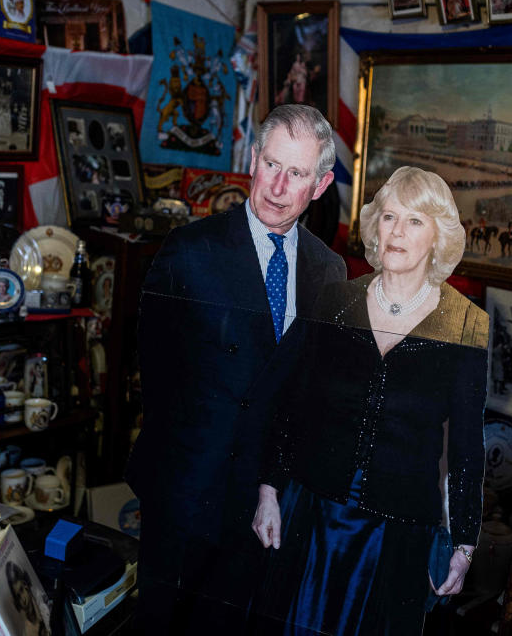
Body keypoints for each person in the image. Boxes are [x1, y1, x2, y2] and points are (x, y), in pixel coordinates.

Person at [126, 104, 347, 633]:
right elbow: (153, 374)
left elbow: (305, 393)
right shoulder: (188, 251)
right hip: (184, 491)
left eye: (295, 173)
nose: (276, 185)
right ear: (252, 159)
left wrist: (272, 483)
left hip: (264, 501)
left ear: (320, 186)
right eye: (271, 164)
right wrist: (175, 478)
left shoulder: (329, 272)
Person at [252, 166, 489, 635]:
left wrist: (464, 544)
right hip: (314, 518)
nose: (397, 232)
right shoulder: (334, 301)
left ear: (438, 239)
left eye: (415, 221)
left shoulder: (466, 325)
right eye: (389, 217)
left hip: (398, 533)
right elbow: (291, 405)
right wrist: (268, 490)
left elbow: (466, 446)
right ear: (374, 226)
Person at [5, 561, 47, 636]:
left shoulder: (43, 602)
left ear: (26, 586)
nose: (23, 599)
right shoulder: (27, 632)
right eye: (18, 596)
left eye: (21, 590)